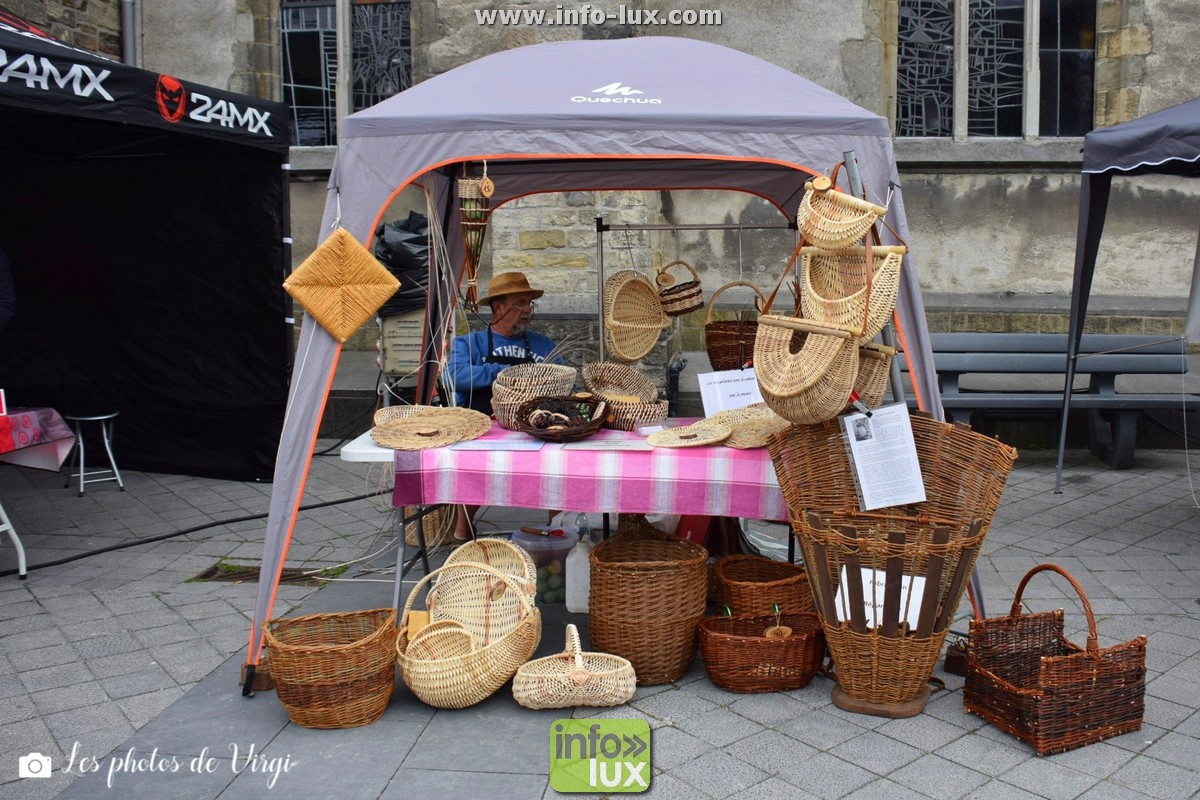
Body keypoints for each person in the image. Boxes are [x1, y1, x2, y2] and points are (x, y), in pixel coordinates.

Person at [444, 271, 559, 540]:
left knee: (557, 462)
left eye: (530, 303)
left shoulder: (544, 345)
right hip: (484, 428)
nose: (527, 310)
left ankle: (557, 530)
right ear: (499, 307)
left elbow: (563, 379)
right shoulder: (469, 343)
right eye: (520, 303)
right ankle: (463, 532)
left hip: (535, 430)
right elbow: (456, 376)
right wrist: (505, 373)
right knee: (471, 462)